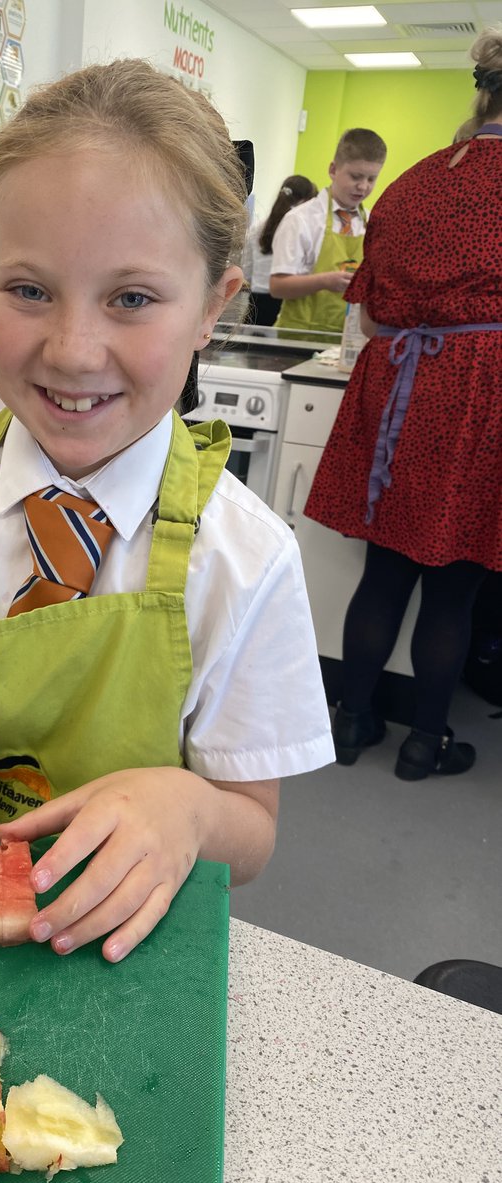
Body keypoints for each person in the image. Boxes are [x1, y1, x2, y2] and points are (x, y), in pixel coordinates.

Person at [0, 59, 333, 963]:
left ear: (213, 307)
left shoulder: (248, 558)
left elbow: (251, 830)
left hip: (125, 940)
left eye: (131, 298)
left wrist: (189, 808)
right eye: (29, 290)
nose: (73, 349)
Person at [303, 24, 502, 781]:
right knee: (454, 587)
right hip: (483, 396)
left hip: (399, 389)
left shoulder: (413, 182)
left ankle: (352, 721)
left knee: (381, 575)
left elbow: (373, 318)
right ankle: (424, 743)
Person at [269, 128, 387, 332]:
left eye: (371, 179)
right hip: (298, 338)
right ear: (333, 170)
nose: (363, 187)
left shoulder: (373, 224)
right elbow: (277, 287)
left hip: (347, 339)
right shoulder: (300, 220)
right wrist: (324, 281)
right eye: (356, 176)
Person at [242, 174, 317, 326]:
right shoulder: (300, 230)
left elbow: (247, 273)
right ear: (306, 201)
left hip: (257, 306)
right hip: (285, 305)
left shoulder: (257, 229)